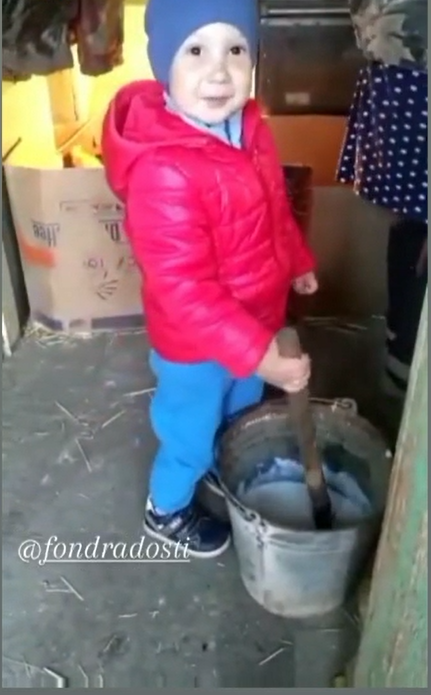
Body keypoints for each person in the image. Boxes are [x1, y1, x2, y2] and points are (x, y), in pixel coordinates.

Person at [101, 0, 318, 558]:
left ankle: (224, 458)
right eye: (196, 50)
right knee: (191, 433)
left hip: (256, 321)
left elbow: (275, 210)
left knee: (239, 413)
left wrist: (297, 262)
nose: (219, 71)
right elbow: (184, 291)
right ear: (164, 63)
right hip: (195, 346)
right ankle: (167, 507)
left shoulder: (250, 129)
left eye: (236, 49)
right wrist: (260, 355)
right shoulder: (162, 171)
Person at [337, 0, 428, 399]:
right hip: (408, 66)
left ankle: (402, 362)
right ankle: (404, 365)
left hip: (403, 66)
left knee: (411, 223)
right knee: (412, 226)